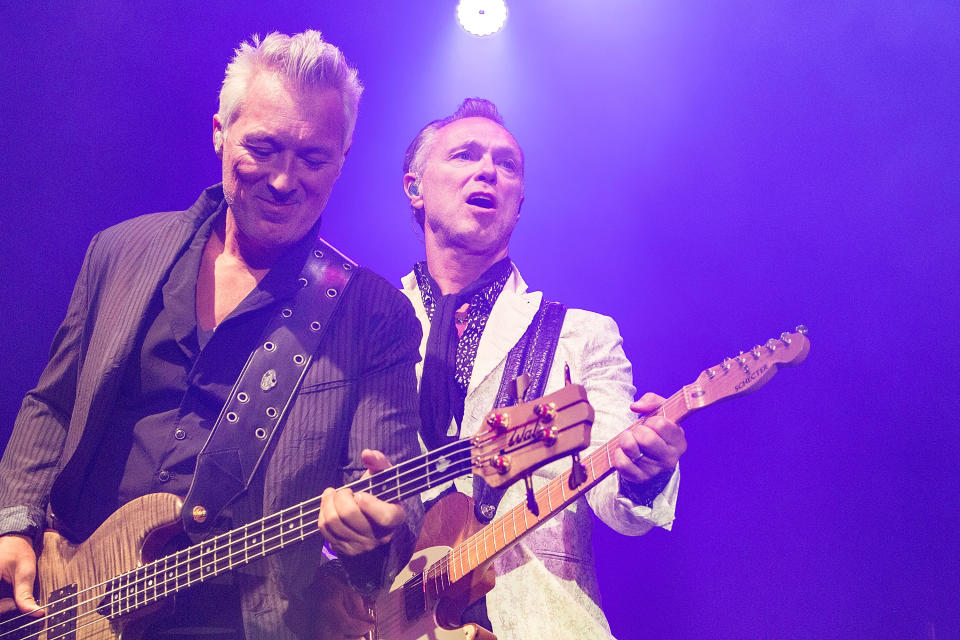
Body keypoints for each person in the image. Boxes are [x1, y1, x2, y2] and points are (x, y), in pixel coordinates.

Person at [0, 31, 423, 640]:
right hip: (69, 596)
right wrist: (16, 522)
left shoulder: (374, 314)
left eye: (313, 159)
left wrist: (373, 530)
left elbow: (391, 492)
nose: (283, 180)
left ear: (343, 158)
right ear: (220, 132)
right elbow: (53, 403)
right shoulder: (120, 251)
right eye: (263, 148)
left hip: (243, 617)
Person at [395, 98, 687, 639]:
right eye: (465, 155)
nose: (488, 171)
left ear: (519, 202)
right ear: (415, 187)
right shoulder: (370, 327)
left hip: (541, 620)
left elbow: (617, 506)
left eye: (507, 165)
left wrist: (646, 471)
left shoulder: (583, 335)